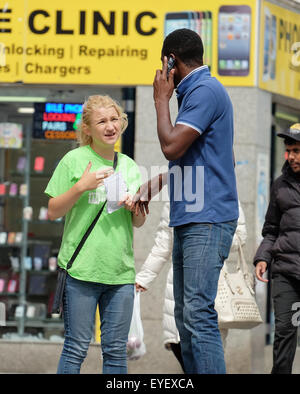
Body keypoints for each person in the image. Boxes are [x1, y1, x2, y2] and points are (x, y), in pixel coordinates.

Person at [151, 28, 239, 374]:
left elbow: (171, 146)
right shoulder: (195, 94)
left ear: (171, 60)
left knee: (198, 314)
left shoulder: (204, 90)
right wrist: (158, 181)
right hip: (192, 215)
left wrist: (160, 99)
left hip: (208, 218)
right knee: (185, 316)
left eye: (164, 63)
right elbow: (210, 159)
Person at [44, 95, 146, 374]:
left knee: (116, 352)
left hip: (120, 274)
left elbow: (137, 222)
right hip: (81, 271)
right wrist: (81, 187)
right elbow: (53, 211)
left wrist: (135, 207)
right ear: (87, 128)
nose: (110, 126)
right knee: (76, 348)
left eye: (114, 119)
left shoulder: (129, 165)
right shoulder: (73, 160)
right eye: (102, 121)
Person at [135, 200, 247, 373]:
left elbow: (240, 235)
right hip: (178, 285)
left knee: (206, 346)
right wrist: (143, 278)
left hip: (211, 280)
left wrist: (205, 240)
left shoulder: (223, 191)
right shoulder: (174, 197)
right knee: (182, 348)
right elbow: (163, 244)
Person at [254, 123, 300, 374]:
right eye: (288, 150)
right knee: (285, 332)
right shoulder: (280, 185)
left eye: (296, 150)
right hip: (286, 273)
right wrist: (263, 257)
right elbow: (271, 229)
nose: (291, 156)